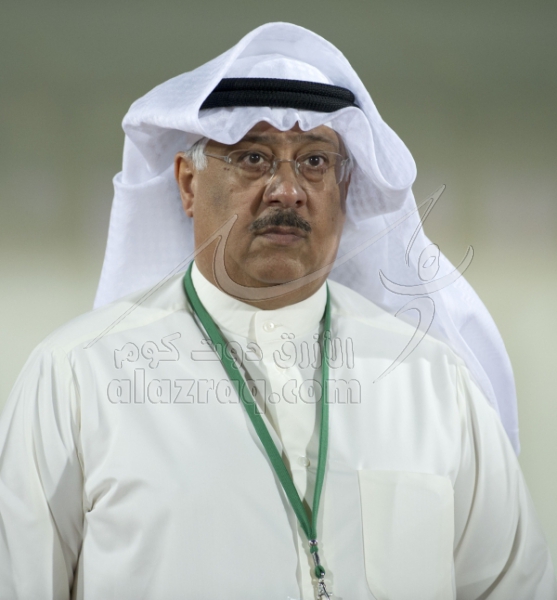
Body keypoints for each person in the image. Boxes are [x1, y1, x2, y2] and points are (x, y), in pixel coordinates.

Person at [0, 22, 555, 600]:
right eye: (253, 157)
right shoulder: (76, 378)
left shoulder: (433, 382)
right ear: (188, 184)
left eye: (314, 161)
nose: (287, 190)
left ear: (345, 190)